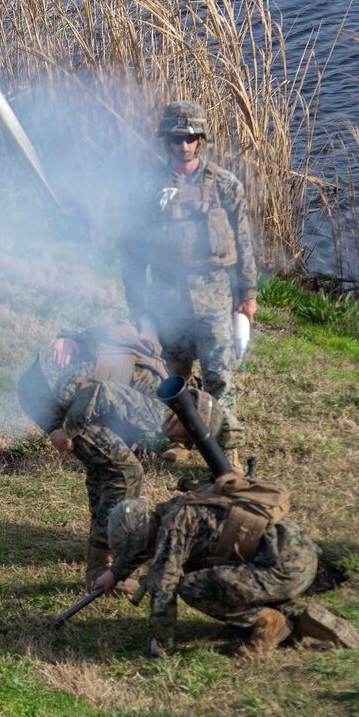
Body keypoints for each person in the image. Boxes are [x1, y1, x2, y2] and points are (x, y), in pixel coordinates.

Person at [17, 321, 240, 591]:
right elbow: (100, 393)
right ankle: (99, 569)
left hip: (40, 386)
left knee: (108, 468)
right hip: (50, 393)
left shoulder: (158, 399)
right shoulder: (157, 411)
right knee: (126, 473)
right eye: (189, 437)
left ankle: (99, 550)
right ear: (188, 421)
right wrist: (67, 431)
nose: (184, 442)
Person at [120, 101, 257, 469]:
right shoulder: (146, 190)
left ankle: (226, 453)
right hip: (167, 299)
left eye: (191, 138)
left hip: (213, 297)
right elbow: (132, 253)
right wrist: (137, 303)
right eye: (178, 138)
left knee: (220, 378)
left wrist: (247, 295)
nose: (184, 145)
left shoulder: (226, 186)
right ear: (166, 140)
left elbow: (243, 243)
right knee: (171, 376)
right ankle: (178, 440)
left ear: (201, 140)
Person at [94, 495, 359, 657]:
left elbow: (163, 594)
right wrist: (115, 573)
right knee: (204, 570)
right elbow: (146, 545)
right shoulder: (173, 511)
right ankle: (286, 611)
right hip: (297, 551)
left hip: (286, 570)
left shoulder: (170, 533)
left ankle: (274, 622)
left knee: (193, 587)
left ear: (148, 535)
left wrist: (162, 643)